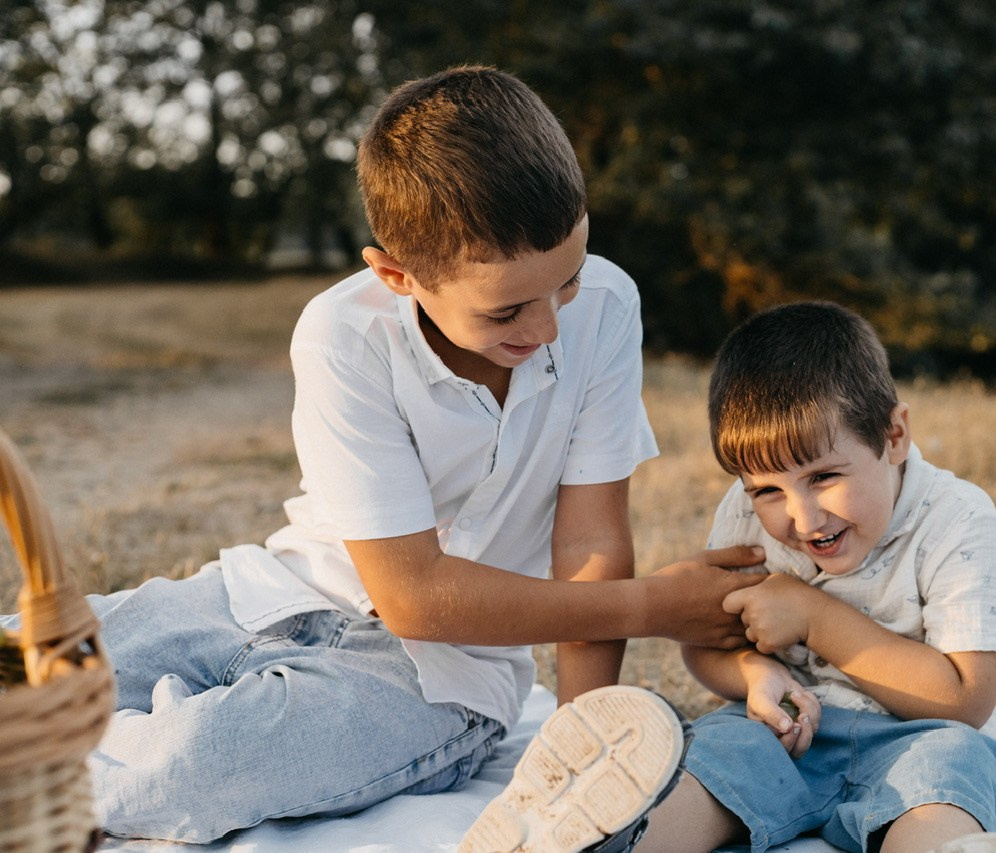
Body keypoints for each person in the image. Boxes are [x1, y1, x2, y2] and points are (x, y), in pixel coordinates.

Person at [0, 66, 764, 844]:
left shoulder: (606, 305)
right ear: (397, 276)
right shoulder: (342, 334)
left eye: (565, 281)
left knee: (190, 761)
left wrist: (578, 743)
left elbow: (590, 542)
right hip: (271, 593)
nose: (549, 328)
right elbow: (412, 589)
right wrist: (653, 605)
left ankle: (51, 757)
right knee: (18, 651)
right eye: (507, 309)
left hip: (433, 680)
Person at [467, 301, 996, 853]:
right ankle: (595, 839)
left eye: (824, 477)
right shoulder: (746, 516)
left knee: (957, 766)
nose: (801, 519)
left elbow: (963, 700)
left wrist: (813, 615)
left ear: (893, 436)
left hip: (919, 740)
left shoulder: (956, 518)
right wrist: (752, 674)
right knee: (715, 752)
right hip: (783, 741)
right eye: (769, 490)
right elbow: (709, 646)